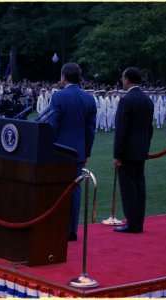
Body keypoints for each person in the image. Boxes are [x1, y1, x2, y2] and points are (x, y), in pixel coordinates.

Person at [47, 62, 97, 241]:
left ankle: (58, 226)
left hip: (59, 151)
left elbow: (52, 125)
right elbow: (90, 131)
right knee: (74, 191)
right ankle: (71, 230)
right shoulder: (89, 98)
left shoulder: (58, 97)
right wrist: (87, 152)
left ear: (63, 77)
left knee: (58, 190)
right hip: (78, 152)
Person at [113, 67, 154, 233]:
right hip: (141, 150)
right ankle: (138, 221)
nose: (122, 81)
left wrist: (117, 154)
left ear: (128, 79)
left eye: (123, 78)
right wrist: (145, 146)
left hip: (128, 152)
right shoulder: (147, 100)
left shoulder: (126, 100)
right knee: (139, 186)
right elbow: (149, 129)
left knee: (128, 188)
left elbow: (121, 130)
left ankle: (132, 223)